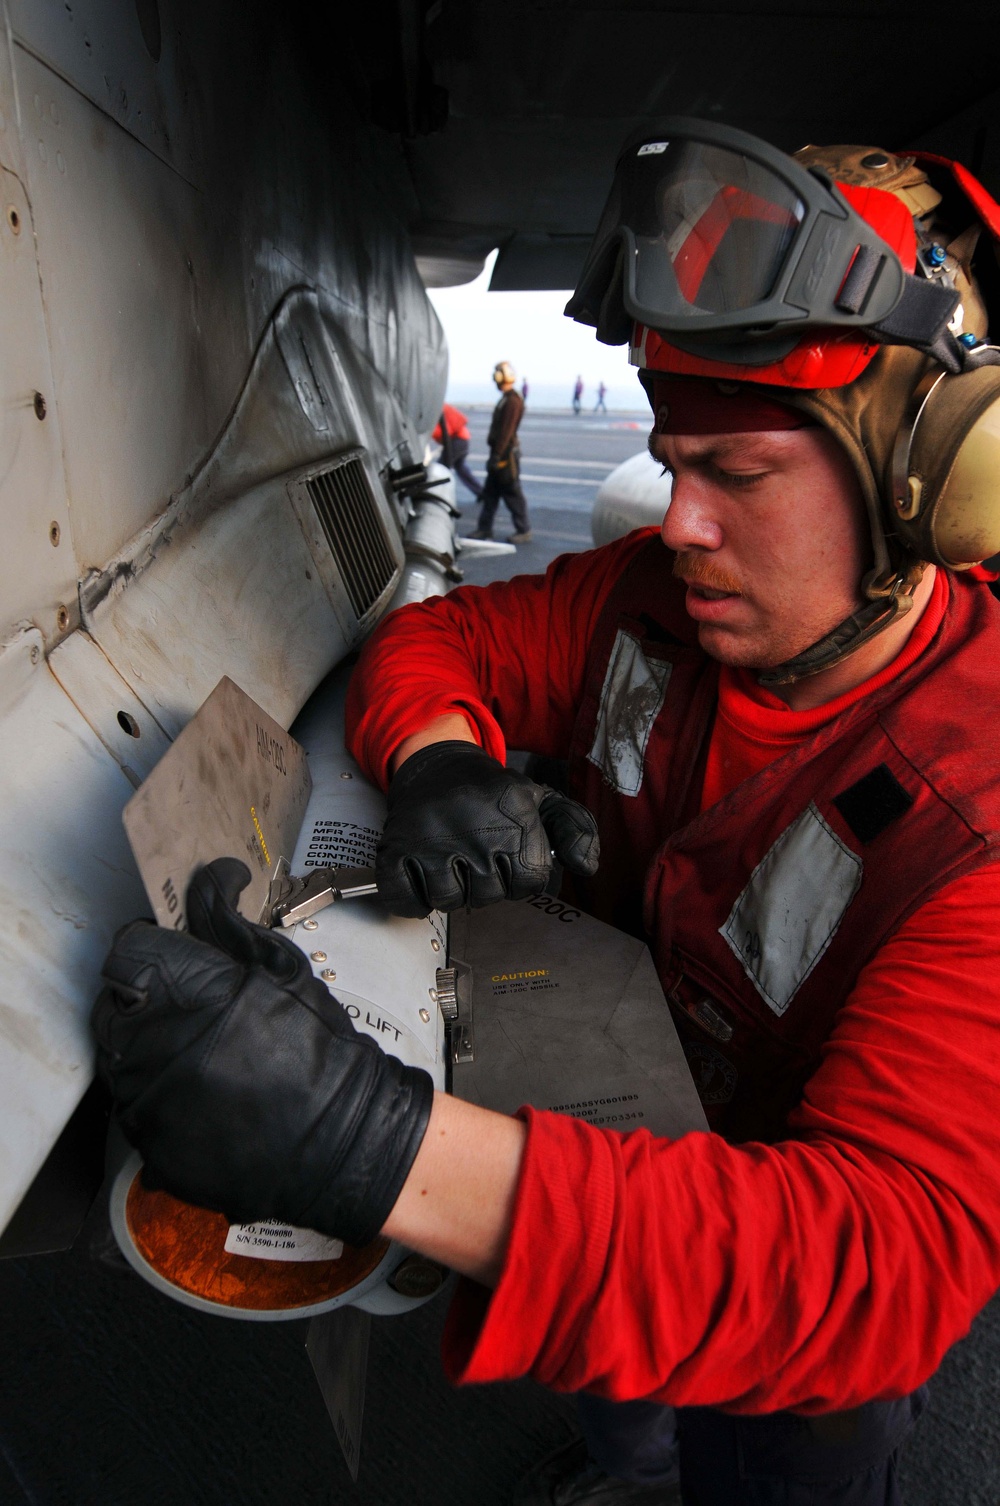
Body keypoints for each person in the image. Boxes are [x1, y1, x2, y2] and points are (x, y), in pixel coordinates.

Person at [93, 125, 1000, 1506]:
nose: (676, 520)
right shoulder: (643, 595)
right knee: (628, 1411)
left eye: (738, 478)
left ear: (931, 486)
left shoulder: (978, 802)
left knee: (787, 1467)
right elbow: (435, 644)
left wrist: (365, 1144)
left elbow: (875, 1265)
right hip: (603, 1142)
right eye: (671, 457)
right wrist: (440, 761)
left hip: (774, 1309)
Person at [470, 359, 532, 543]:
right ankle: (485, 528)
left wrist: (497, 455)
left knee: (512, 493)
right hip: (500, 453)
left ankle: (524, 529)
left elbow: (506, 431)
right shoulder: (507, 399)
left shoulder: (512, 401)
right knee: (490, 493)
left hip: (505, 456)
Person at [432, 402, 482, 501]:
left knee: (441, 469)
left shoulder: (434, 410)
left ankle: (437, 496)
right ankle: (481, 492)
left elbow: (445, 431)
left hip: (456, 441)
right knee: (461, 468)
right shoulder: (439, 406)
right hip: (462, 438)